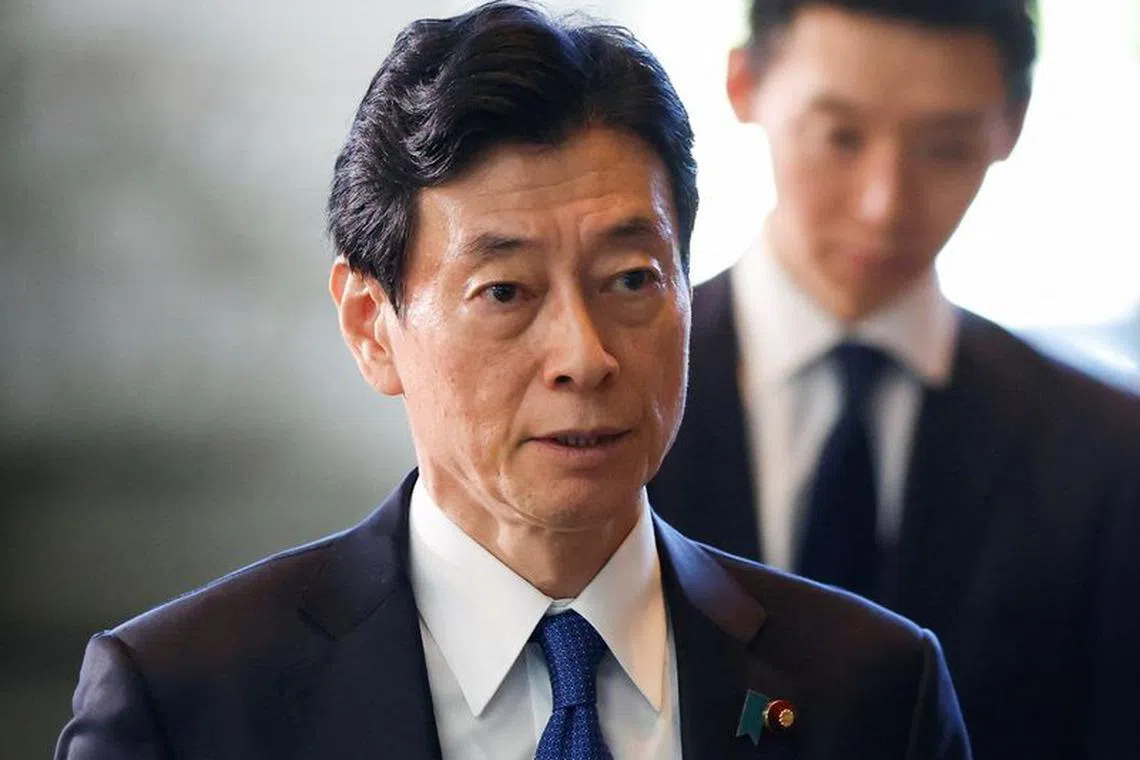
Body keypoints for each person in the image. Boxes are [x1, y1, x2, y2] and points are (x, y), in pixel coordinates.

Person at [53, 3, 974, 759]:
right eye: (505, 290)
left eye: (630, 280)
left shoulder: (874, 691)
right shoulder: (184, 701)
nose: (584, 355)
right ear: (373, 328)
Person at [648, 1, 1140, 758]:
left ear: (1010, 126)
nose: (885, 205)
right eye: (840, 136)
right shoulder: (604, 400)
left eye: (945, 148)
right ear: (743, 85)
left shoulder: (1105, 453)